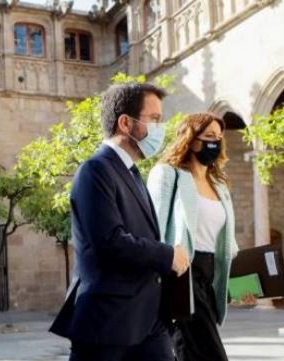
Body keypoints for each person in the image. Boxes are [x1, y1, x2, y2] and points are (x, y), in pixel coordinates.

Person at [49, 82, 191, 361]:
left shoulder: (132, 173)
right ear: (126, 123)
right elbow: (109, 242)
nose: (160, 129)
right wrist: (168, 255)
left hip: (147, 319)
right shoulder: (95, 170)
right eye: (154, 119)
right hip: (108, 323)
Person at [147, 112, 239, 361]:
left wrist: (239, 285)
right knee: (210, 354)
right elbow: (151, 229)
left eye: (219, 137)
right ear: (190, 138)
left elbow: (227, 244)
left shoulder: (218, 184)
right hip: (181, 275)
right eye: (208, 136)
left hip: (210, 278)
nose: (215, 142)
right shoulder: (168, 174)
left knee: (190, 353)